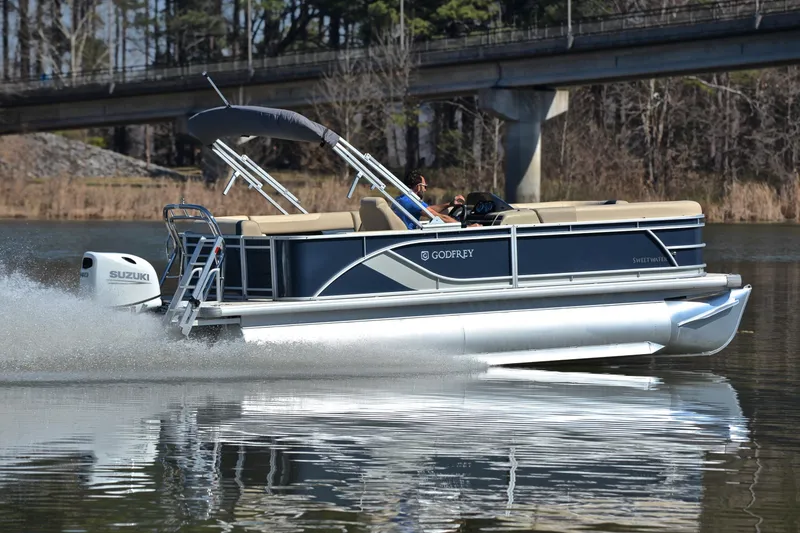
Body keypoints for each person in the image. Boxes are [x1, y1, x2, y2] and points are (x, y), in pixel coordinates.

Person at [392, 170, 473, 229]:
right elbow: (441, 217)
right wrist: (467, 227)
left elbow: (428, 210)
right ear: (418, 186)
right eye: (425, 186)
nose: (425, 190)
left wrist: (449, 204)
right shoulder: (411, 202)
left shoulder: (400, 199)